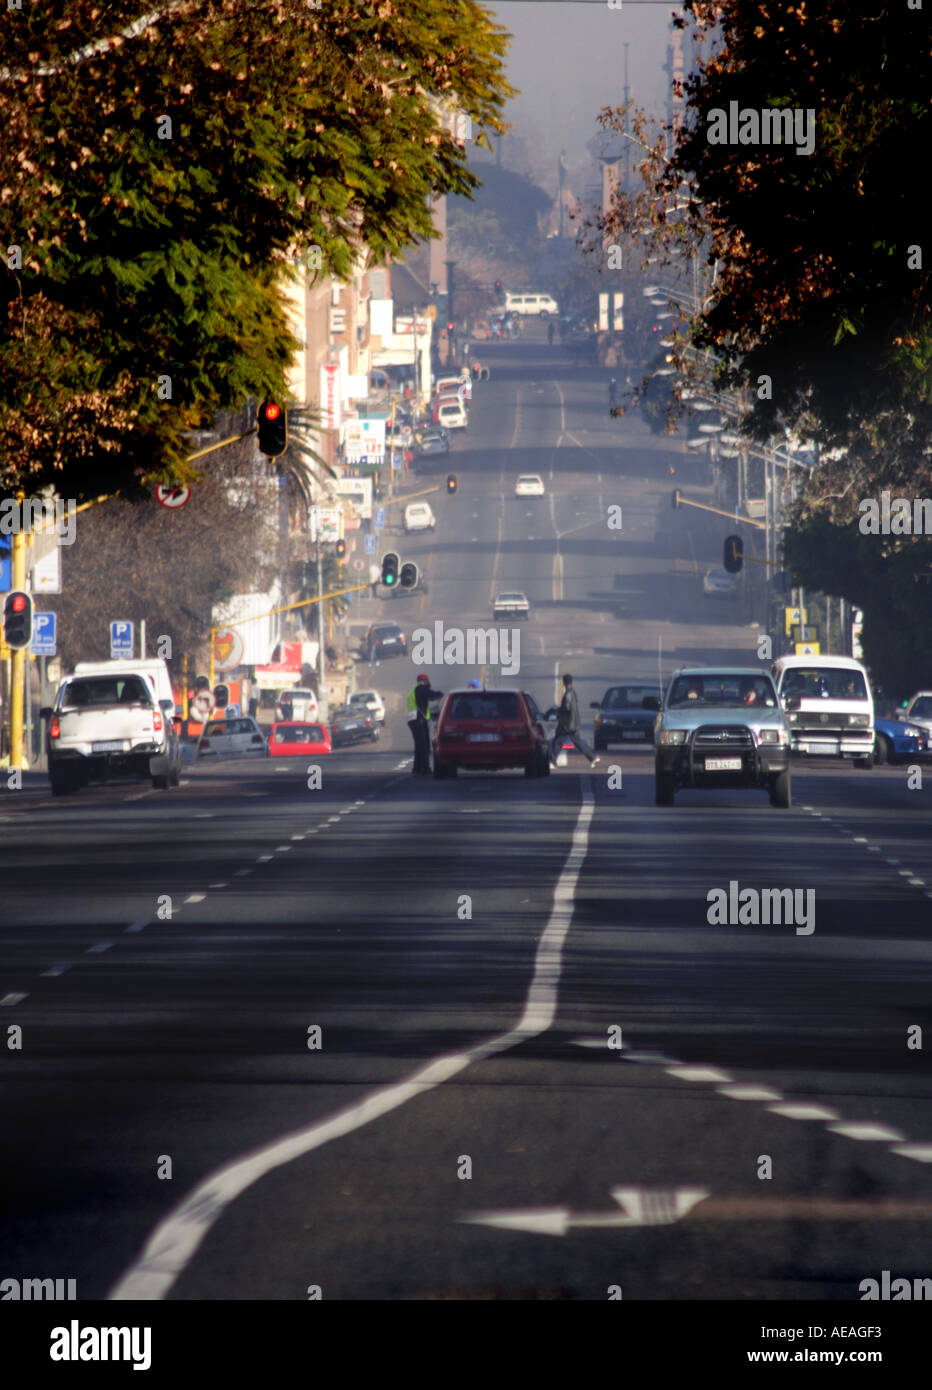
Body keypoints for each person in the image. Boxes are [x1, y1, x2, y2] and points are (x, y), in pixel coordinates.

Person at [545, 674, 600, 769]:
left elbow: (566, 708)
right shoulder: (572, 692)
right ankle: (593, 758)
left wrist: (558, 711)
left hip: (567, 724)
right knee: (578, 742)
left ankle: (552, 762)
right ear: (571, 682)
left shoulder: (568, 695)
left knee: (558, 741)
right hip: (573, 723)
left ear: (564, 682)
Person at [407, 673, 443, 775]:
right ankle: (425, 769)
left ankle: (417, 768)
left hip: (413, 720)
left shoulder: (414, 690)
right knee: (424, 746)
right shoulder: (421, 689)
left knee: (418, 746)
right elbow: (432, 696)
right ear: (425, 682)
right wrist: (441, 694)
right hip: (419, 720)